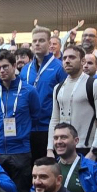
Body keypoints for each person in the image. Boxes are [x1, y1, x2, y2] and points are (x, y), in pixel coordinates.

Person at [47, 45, 97, 161]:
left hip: (86, 148)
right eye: (64, 58)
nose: (67, 61)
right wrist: (50, 149)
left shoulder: (95, 85)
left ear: (82, 61)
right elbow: (54, 120)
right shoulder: (58, 88)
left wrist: (94, 151)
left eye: (72, 57)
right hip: (62, 149)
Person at [0, 50, 36, 192]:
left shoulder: (29, 90)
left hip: (21, 150)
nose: (2, 71)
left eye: (5, 66)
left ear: (14, 66)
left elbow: (36, 115)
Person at [20, 26, 66, 162]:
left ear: (49, 43)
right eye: (34, 41)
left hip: (49, 127)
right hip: (27, 128)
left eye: (41, 40)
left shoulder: (59, 67)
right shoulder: (25, 69)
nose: (37, 44)